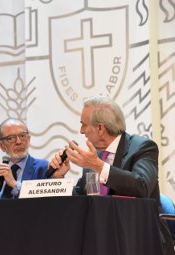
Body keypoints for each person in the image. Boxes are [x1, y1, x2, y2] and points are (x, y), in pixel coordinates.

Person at [49, 95, 174, 255]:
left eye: (83, 125)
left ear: (100, 128)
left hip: (138, 238)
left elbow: (141, 186)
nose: (81, 131)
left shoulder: (142, 147)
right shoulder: (94, 157)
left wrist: (99, 166)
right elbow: (80, 199)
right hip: (99, 239)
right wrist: (60, 179)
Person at [0, 118, 54, 199]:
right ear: (1, 145)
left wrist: (15, 184)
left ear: (28, 140)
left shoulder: (43, 168)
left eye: (22, 136)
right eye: (11, 138)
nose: (18, 142)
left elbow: (46, 201)